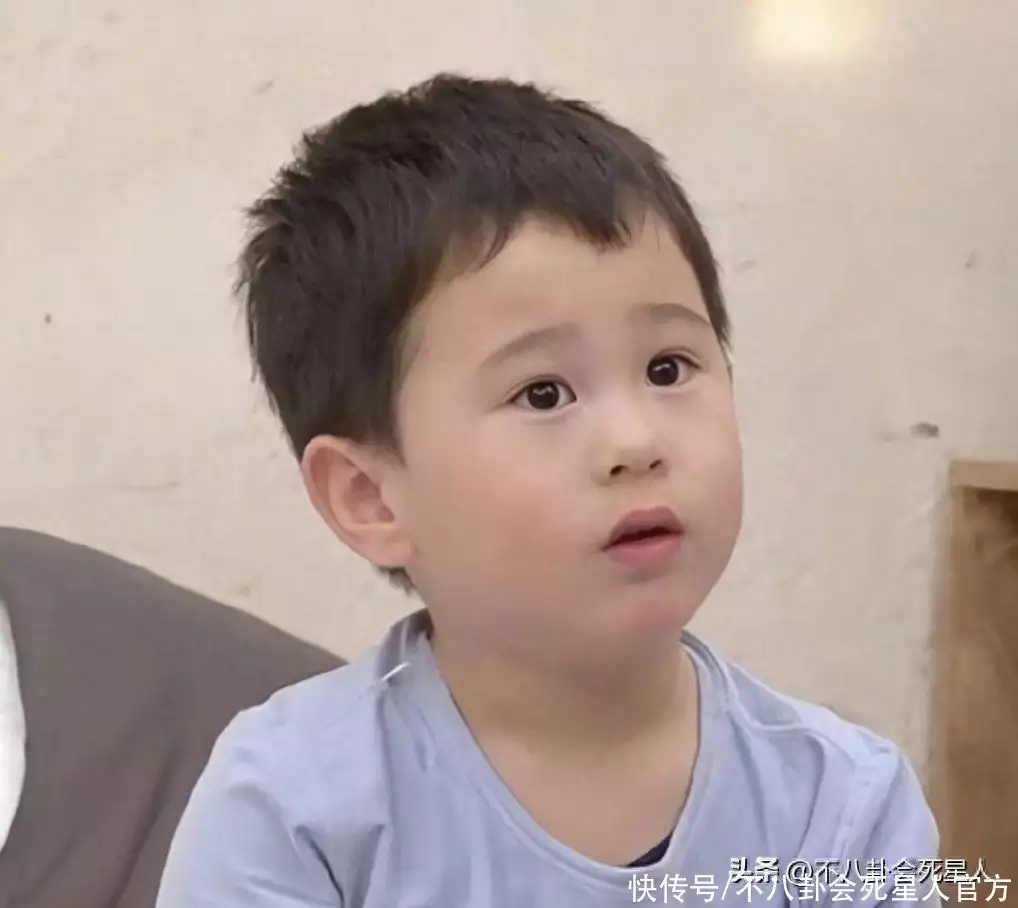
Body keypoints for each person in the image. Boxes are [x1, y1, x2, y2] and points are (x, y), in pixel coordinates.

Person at [156, 73, 940, 907]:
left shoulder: (841, 805)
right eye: (543, 393)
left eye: (667, 368)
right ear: (371, 497)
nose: (635, 442)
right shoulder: (292, 806)